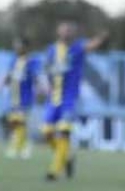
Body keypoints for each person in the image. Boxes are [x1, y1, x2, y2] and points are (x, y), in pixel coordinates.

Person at [42, 21, 108, 181]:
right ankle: (67, 159)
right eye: (63, 30)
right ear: (58, 31)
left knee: (64, 132)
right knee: (47, 132)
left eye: (69, 30)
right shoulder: (52, 50)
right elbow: (47, 70)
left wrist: (101, 36)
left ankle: (54, 172)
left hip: (70, 99)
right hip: (53, 99)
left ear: (73, 33)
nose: (66, 32)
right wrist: (46, 85)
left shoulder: (77, 48)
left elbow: (92, 45)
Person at [4, 36, 42, 159]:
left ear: (25, 47)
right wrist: (6, 79)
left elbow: (36, 77)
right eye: (15, 45)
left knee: (19, 121)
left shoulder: (32, 61)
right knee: (14, 122)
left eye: (18, 45)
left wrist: (40, 89)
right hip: (14, 96)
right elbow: (9, 76)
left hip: (26, 97)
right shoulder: (13, 60)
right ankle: (25, 145)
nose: (15, 47)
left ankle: (17, 148)